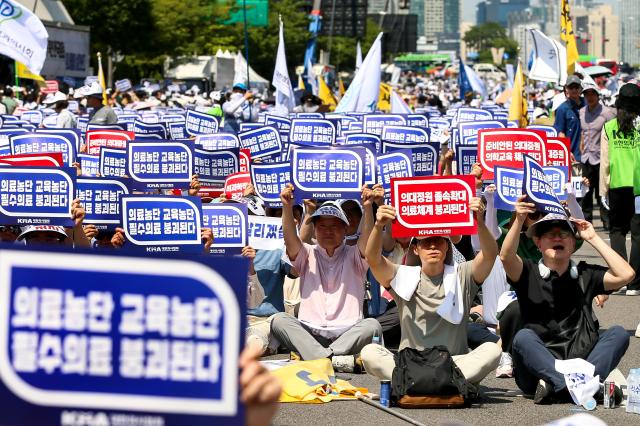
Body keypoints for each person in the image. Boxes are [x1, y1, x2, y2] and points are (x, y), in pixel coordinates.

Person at [500, 204, 634, 405]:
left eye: (564, 234)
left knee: (618, 333)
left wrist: (593, 237)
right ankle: (580, 387)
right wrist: (519, 220)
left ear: (573, 243)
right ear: (538, 242)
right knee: (522, 337)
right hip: (538, 369)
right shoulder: (527, 271)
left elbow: (627, 274)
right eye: (549, 235)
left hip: (580, 359)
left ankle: (563, 386)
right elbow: (506, 256)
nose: (557, 238)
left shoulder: (585, 273)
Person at [360, 198, 502, 387]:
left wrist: (480, 222)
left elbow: (490, 254)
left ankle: (424, 383)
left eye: (438, 241)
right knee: (369, 353)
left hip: (451, 363)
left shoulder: (462, 274)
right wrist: (378, 226)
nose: (433, 246)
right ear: (416, 249)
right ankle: (443, 384)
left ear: (447, 246)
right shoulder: (402, 276)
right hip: (410, 363)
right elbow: (373, 258)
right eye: (426, 242)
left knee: (492, 350)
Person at [270, 184, 382, 372]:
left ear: (346, 229)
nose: (328, 231)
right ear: (314, 230)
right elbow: (290, 240)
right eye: (322, 226)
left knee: (372, 325)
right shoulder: (307, 253)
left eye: (334, 226)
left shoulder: (355, 255)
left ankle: (319, 358)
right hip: (310, 332)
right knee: (279, 320)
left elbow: (368, 241)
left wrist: (368, 206)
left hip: (348, 333)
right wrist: (286, 207)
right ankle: (332, 359)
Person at [600, 82, 640, 295]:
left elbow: (604, 162)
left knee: (617, 232)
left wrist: (602, 189)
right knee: (638, 234)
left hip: (616, 186)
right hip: (638, 187)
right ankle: (635, 283)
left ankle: (621, 278)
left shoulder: (609, 127)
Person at [579, 83, 614, 229]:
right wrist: (581, 147)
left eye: (592, 94)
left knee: (603, 191)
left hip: (601, 157)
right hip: (586, 157)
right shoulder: (581, 111)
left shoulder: (607, 113)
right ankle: (587, 222)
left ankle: (607, 222)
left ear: (598, 95)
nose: (590, 97)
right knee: (585, 192)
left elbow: (612, 135)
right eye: (587, 94)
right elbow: (583, 132)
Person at [554, 75, 585, 162]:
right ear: (566, 89)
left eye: (576, 87)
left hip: (590, 157)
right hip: (572, 157)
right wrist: (567, 151)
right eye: (571, 87)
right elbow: (560, 133)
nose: (574, 90)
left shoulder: (588, 104)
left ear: (580, 88)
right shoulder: (562, 109)